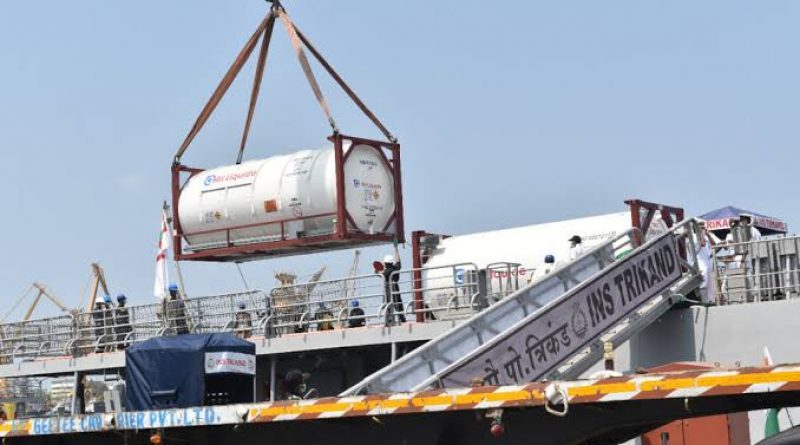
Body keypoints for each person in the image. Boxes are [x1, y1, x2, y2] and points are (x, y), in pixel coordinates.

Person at [374, 244, 405, 324]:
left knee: (388, 303)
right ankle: (402, 318)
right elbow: (398, 260)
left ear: (386, 263)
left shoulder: (386, 272)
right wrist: (396, 249)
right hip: (396, 287)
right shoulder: (396, 268)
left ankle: (389, 320)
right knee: (398, 303)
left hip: (388, 288)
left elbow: (381, 275)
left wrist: (376, 272)